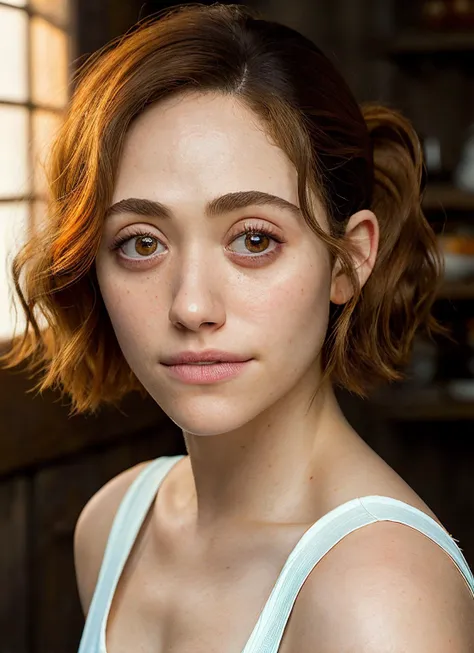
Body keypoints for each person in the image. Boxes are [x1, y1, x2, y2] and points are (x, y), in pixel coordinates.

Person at [2, 3, 474, 651]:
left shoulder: (380, 597)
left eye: (254, 239)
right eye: (141, 243)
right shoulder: (113, 524)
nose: (192, 306)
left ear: (350, 259)